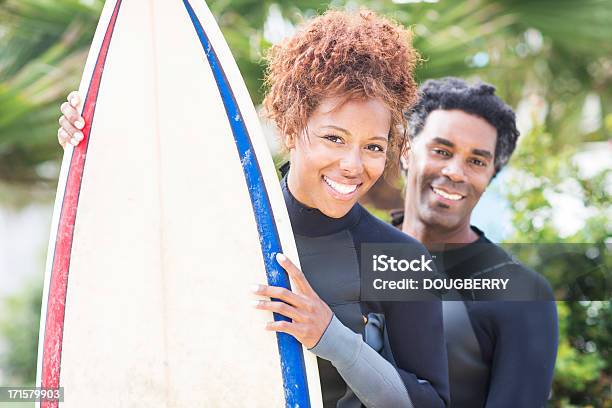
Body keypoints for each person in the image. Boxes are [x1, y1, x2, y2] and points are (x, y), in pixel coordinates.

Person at [58, 10, 450, 408]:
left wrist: (331, 338)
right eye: (334, 137)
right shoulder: (221, 223)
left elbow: (432, 403)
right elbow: (132, 224)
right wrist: (89, 132)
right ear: (294, 126)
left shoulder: (399, 259)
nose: (353, 165)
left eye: (373, 147)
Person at [393, 77, 558, 407]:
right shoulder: (354, 250)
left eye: (477, 161)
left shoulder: (521, 295)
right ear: (406, 150)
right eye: (442, 151)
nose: (456, 172)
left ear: (491, 175)